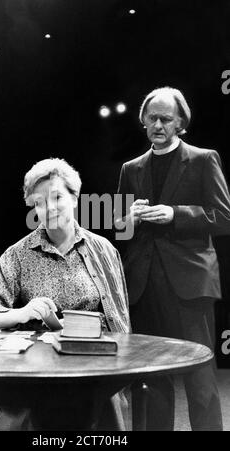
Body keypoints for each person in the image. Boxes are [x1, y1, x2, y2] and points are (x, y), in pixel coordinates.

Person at [0, 157, 131, 431]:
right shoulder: (18, 255)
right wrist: (20, 313)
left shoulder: (104, 250)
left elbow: (120, 321)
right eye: (39, 202)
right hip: (35, 372)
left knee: (102, 405)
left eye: (57, 197)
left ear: (75, 198)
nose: (49, 208)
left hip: (91, 365)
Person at [116, 86, 230, 431]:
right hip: (144, 284)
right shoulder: (131, 168)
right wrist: (128, 221)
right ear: (143, 121)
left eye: (166, 118)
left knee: (200, 379)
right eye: (152, 118)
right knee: (151, 380)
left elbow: (223, 216)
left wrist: (175, 214)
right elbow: (119, 230)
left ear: (181, 122)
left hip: (190, 284)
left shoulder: (203, 158)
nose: (158, 124)